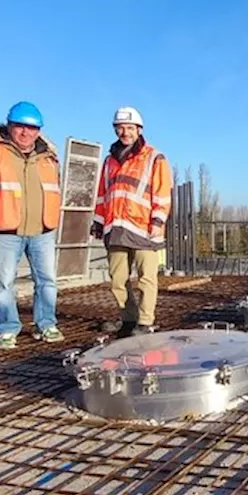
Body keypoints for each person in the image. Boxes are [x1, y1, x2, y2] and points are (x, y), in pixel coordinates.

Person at [0, 101, 65, 349]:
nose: (26, 133)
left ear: (39, 131)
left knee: (47, 280)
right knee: (3, 283)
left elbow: (55, 188)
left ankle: (47, 324)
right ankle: (7, 329)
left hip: (43, 230)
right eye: (20, 127)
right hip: (5, 230)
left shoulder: (48, 157)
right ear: (9, 126)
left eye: (32, 128)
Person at [92, 106, 172, 337]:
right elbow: (102, 194)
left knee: (146, 278)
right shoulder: (109, 161)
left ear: (139, 129)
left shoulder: (154, 158)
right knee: (118, 278)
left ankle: (145, 322)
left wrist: (157, 221)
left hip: (144, 228)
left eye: (129, 128)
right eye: (120, 128)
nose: (125, 132)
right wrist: (98, 222)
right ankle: (128, 318)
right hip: (115, 228)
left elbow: (162, 193)